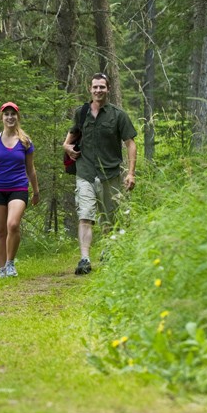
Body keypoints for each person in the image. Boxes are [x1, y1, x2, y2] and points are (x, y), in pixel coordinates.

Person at [62, 73, 137, 275]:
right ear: (90, 89)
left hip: (110, 173)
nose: (98, 90)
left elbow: (130, 143)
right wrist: (67, 147)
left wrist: (131, 173)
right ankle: (84, 259)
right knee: (85, 215)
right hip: (85, 172)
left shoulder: (118, 115)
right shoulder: (81, 112)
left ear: (108, 89)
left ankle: (108, 251)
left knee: (109, 219)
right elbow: (70, 137)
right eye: (95, 87)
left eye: (102, 87)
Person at [0, 102, 40, 278]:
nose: (10, 117)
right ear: (2, 117)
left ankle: (10, 263)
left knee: (13, 225)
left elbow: (30, 169)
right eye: (6, 114)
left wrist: (36, 191)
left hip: (18, 187)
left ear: (17, 117)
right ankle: (1, 269)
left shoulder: (25, 141)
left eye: (13, 114)